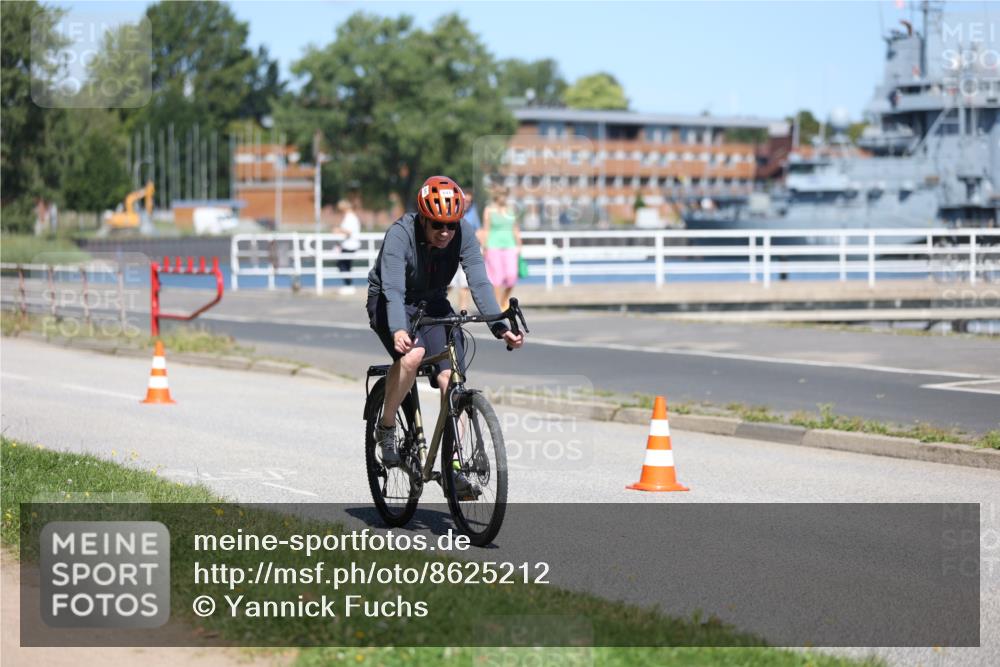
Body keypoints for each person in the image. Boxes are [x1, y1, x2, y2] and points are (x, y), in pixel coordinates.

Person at [367, 175, 524, 495]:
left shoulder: (463, 233)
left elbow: (480, 280)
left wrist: (500, 326)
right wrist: (398, 328)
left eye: (451, 225)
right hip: (390, 302)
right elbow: (393, 289)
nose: (444, 232)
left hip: (433, 302)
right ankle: (386, 428)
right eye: (437, 225)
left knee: (450, 380)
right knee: (412, 355)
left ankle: (453, 466)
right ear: (423, 218)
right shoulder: (399, 235)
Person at [481, 188, 522, 310]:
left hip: (510, 246)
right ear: (496, 196)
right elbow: (486, 229)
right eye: (501, 195)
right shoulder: (489, 210)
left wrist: (520, 245)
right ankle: (498, 305)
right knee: (496, 279)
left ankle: (504, 299)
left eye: (505, 195)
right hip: (493, 246)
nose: (503, 198)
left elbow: (515, 228)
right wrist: (484, 246)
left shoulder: (511, 210)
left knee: (511, 277)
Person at [448, 190, 482, 312]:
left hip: (465, 252)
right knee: (448, 283)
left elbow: (478, 231)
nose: (467, 203)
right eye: (465, 201)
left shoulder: (473, 213)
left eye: (469, 201)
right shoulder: (452, 211)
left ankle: (463, 310)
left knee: (464, 283)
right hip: (451, 252)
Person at [334, 199, 361, 295]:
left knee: (342, 264)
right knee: (345, 265)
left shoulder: (350, 217)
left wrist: (338, 230)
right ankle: (348, 285)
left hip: (350, 245)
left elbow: (349, 231)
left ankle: (348, 285)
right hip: (347, 244)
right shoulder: (350, 217)